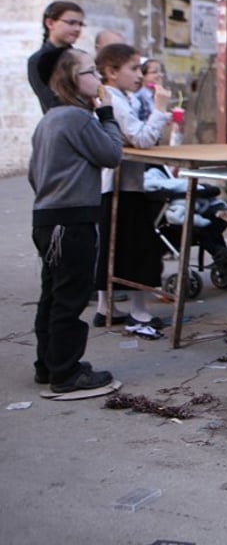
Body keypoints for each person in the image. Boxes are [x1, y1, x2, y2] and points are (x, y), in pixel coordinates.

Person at [28, 48, 123, 394]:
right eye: (91, 72)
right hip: (72, 220)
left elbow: (32, 174)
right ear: (72, 79)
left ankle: (48, 364)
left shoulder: (49, 119)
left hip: (46, 217)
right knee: (70, 297)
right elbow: (112, 154)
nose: (98, 79)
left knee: (52, 295)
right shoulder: (78, 119)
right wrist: (108, 114)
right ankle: (66, 373)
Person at [94, 43, 174, 334]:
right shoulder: (114, 100)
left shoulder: (117, 97)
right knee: (138, 248)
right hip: (121, 186)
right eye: (133, 68)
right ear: (111, 72)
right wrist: (160, 109)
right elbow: (141, 139)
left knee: (112, 246)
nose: (139, 75)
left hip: (117, 184)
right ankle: (139, 313)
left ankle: (106, 308)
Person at [28, 1, 86, 113]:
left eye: (80, 24)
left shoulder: (80, 57)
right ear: (50, 23)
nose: (77, 29)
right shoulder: (38, 60)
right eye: (71, 23)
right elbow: (51, 102)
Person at [134, 59, 166, 123]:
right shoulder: (138, 98)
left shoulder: (156, 97)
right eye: (154, 72)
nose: (160, 75)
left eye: (161, 71)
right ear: (143, 75)